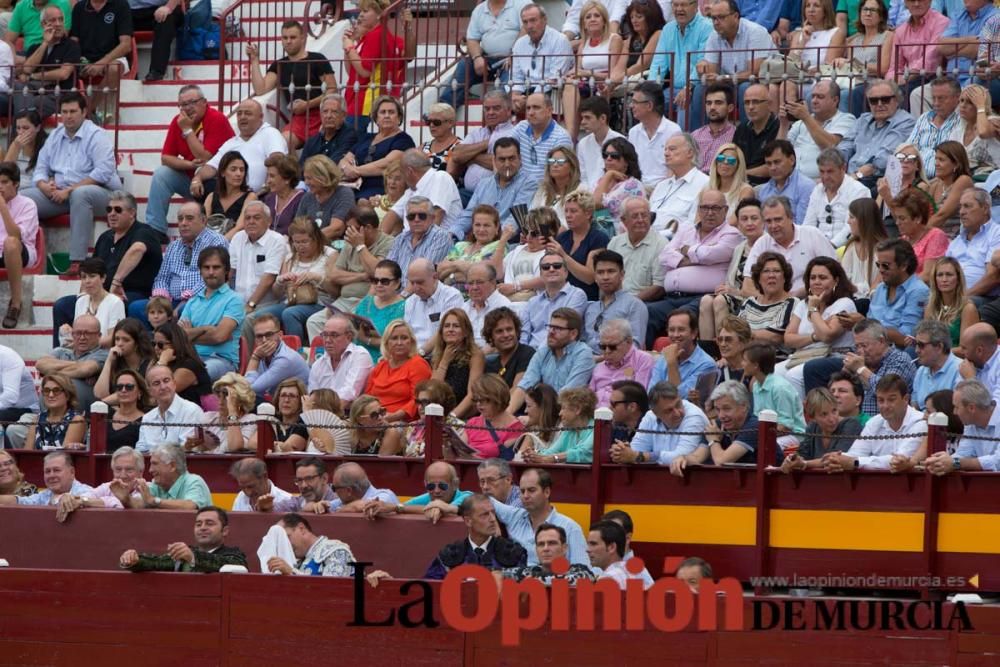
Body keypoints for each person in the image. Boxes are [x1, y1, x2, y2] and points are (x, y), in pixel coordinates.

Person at [22, 93, 120, 274]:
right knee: (23, 198)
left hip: (101, 193)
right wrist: (44, 185)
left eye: (73, 111)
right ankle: (24, 252)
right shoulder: (55, 136)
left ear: (84, 112)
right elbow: (40, 169)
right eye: (64, 112)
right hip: (61, 193)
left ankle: (78, 262)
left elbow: (103, 172)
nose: (68, 116)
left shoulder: (97, 135)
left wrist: (70, 189)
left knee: (80, 195)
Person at [646, 188, 743, 347]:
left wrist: (686, 251)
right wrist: (698, 257)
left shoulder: (731, 234)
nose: (709, 212)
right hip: (671, 297)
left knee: (682, 317)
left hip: (703, 297)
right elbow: (664, 256)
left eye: (715, 208)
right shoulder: (686, 228)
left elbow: (709, 255)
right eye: (705, 207)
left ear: (725, 210)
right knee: (645, 311)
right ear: (698, 209)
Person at [146, 86, 234, 239]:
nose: (188, 108)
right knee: (161, 174)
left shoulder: (216, 119)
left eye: (192, 102)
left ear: (205, 102)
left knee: (207, 182)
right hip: (192, 178)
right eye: (183, 105)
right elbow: (166, 158)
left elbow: (205, 158)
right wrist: (190, 165)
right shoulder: (178, 121)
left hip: (215, 182)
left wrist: (187, 130)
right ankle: (156, 229)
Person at [130, 203, 228, 326]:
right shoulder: (173, 246)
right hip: (170, 301)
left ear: (203, 220)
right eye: (180, 219)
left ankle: (169, 339)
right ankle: (154, 341)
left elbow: (211, 278)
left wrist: (185, 301)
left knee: (183, 311)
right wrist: (161, 300)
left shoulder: (215, 242)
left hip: (201, 299)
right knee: (136, 308)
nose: (183, 223)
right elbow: (162, 278)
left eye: (189, 218)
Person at [246, 20, 337, 151]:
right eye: (285, 37)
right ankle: (292, 171)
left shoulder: (317, 59)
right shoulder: (279, 64)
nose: (288, 41)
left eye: (293, 37)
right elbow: (261, 89)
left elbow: (332, 90)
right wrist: (254, 60)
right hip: (298, 119)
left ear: (303, 38)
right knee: (282, 143)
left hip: (322, 113)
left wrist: (307, 104)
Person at [776, 256, 857, 398]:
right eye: (812, 278)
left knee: (794, 376)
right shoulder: (803, 304)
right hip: (804, 355)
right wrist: (814, 336)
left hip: (834, 356)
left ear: (836, 281)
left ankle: (804, 418)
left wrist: (813, 309)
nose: (816, 282)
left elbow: (827, 336)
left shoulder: (844, 303)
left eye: (822, 278)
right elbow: (788, 338)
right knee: (775, 372)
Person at [690, 0, 774, 128]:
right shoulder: (714, 36)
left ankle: (747, 135)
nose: (716, 22)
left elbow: (754, 71)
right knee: (700, 90)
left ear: (735, 16)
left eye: (721, 17)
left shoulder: (755, 32)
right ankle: (698, 139)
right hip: (729, 84)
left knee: (746, 87)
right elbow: (712, 73)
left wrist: (723, 78)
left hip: (760, 83)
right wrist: (707, 74)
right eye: (713, 18)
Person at [484, 467, 589, 565]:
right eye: (522, 491)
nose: (525, 496)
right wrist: (493, 522)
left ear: (547, 492)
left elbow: (583, 573)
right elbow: (484, 499)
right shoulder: (515, 516)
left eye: (531, 490)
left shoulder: (570, 528)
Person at [824, 373, 926, 471]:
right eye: (881, 400)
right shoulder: (874, 422)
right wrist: (837, 459)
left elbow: (899, 460)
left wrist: (856, 463)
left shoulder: (920, 422)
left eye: (891, 400)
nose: (885, 406)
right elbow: (856, 453)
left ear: (906, 399)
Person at [254, 218, 332, 341]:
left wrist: (316, 277)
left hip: (320, 302)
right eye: (296, 242)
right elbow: (277, 294)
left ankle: (295, 352)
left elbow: (336, 291)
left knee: (290, 314)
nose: (300, 246)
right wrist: (281, 281)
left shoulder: (329, 255)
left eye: (305, 241)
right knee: (260, 315)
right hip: (292, 301)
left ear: (316, 239)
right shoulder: (290, 258)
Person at [340, 0, 414, 129]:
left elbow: (364, 71)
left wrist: (349, 48)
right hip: (360, 101)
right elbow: (352, 72)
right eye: (360, 11)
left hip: (365, 103)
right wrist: (349, 48)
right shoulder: (368, 39)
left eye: (366, 11)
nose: (360, 16)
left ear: (380, 15)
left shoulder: (376, 35)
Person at [190, 99, 287, 198]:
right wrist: (197, 179)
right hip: (234, 196)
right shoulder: (231, 143)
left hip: (263, 195)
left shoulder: (270, 133)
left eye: (248, 113)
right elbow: (211, 167)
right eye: (239, 114)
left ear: (261, 117)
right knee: (206, 186)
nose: (242, 117)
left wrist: (265, 189)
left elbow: (277, 160)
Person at [508, 308, 596, 413]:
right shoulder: (544, 351)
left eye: (557, 328)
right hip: (543, 413)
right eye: (550, 327)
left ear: (573, 334)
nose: (551, 332)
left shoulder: (583, 354)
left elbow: (567, 396)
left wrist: (538, 418)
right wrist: (506, 416)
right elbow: (525, 385)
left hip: (569, 416)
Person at [438, 0, 522, 110]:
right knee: (465, 65)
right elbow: (472, 38)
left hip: (513, 59)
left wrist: (514, 54)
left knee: (507, 86)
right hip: (487, 58)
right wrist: (477, 57)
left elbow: (526, 29)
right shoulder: (479, 10)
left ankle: (500, 114)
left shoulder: (521, 4)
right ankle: (444, 110)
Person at [561, 0, 626, 139]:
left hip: (606, 82)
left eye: (596, 16)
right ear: (583, 23)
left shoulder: (614, 39)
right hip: (586, 82)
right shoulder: (584, 42)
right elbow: (577, 69)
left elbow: (613, 73)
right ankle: (570, 136)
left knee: (601, 87)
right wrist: (570, 75)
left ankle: (599, 135)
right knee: (569, 84)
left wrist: (587, 73)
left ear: (604, 20)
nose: (592, 19)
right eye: (588, 17)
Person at [699, 199, 764, 338]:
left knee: (720, 300)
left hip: (757, 300)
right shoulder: (739, 248)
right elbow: (731, 281)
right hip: (736, 296)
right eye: (744, 219)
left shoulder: (769, 246)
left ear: (763, 221)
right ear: (738, 225)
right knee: (706, 300)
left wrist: (735, 291)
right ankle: (709, 353)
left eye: (754, 218)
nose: (749, 223)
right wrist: (726, 288)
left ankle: (725, 351)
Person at [745, 195, 837, 294]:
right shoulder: (762, 243)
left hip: (810, 299)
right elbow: (747, 285)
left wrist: (793, 297)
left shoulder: (812, 235)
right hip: (772, 303)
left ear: (791, 217)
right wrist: (770, 301)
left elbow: (834, 274)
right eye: (768, 221)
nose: (773, 226)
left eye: (778, 219)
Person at [423, 493, 528, 579]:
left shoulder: (513, 552)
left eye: (493, 513)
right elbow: (430, 589)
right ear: (468, 521)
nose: (492, 519)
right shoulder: (450, 555)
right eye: (485, 515)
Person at [180, 247, 244, 381]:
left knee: (195, 375)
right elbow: (179, 337)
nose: (210, 272)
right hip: (191, 358)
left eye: (216, 267)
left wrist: (190, 334)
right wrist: (205, 330)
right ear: (200, 270)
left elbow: (219, 336)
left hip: (221, 361)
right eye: (206, 267)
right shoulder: (192, 302)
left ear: (226, 270)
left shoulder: (235, 299)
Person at [610, 380, 709, 467]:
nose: (677, 413)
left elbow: (681, 457)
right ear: (656, 413)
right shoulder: (650, 416)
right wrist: (622, 452)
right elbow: (636, 450)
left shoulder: (694, 416)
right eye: (668, 411)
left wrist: (639, 456)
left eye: (678, 405)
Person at [839, 79, 917, 188]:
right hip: (850, 177)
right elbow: (844, 146)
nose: (879, 104)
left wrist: (855, 176)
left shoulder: (905, 122)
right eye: (874, 101)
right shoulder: (863, 120)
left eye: (885, 100)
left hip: (875, 180)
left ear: (897, 100)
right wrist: (836, 168)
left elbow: (882, 160)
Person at [457, 138, 538, 242]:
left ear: (520, 159)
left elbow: (516, 220)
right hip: (480, 239)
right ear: (494, 161)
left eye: (512, 158)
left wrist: (491, 239)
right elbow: (469, 214)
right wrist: (453, 232)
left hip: (507, 242)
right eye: (502, 159)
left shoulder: (529, 183)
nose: (507, 164)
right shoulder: (484, 183)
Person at [119, 506, 247, 572]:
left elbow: (233, 566)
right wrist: (134, 560)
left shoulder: (234, 556)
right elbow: (156, 562)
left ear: (224, 531)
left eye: (209, 523)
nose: (202, 528)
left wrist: (192, 557)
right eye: (198, 524)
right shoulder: (183, 554)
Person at [650, 0, 712, 130]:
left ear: (695, 6)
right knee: (646, 103)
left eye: (683, 5)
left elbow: (703, 61)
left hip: (695, 87)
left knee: (684, 102)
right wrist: (650, 90)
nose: (679, 9)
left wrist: (688, 87)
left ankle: (684, 143)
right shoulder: (668, 29)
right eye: (675, 5)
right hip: (672, 90)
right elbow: (658, 63)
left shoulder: (707, 27)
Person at [340, 95, 416, 201]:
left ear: (399, 118)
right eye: (383, 112)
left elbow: (386, 165)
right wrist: (345, 168)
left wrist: (355, 170)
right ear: (376, 117)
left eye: (391, 112)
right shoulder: (366, 138)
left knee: (361, 202)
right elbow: (345, 160)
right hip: (353, 186)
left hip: (381, 188)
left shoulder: (404, 140)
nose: (387, 116)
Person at [11, 6, 80, 119]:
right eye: (53, 20)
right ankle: (30, 131)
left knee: (32, 103)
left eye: (61, 19)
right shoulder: (35, 47)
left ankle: (21, 131)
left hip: (59, 94)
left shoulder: (71, 46)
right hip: (34, 91)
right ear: (43, 24)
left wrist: (34, 76)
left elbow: (63, 74)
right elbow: (27, 69)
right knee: (19, 88)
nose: (58, 24)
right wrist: (45, 43)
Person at [779, 81, 856, 181]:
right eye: (813, 96)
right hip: (790, 180)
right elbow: (779, 152)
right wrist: (784, 125)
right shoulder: (801, 122)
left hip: (820, 181)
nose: (814, 101)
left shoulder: (846, 119)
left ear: (835, 100)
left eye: (820, 97)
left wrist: (806, 118)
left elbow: (829, 145)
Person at [508, 3, 574, 115]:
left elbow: (554, 77)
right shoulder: (519, 43)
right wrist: (515, 96)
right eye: (525, 22)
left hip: (551, 91)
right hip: (526, 91)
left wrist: (530, 100)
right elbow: (515, 76)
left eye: (533, 20)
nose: (529, 26)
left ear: (545, 20)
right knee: (497, 103)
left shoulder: (560, 40)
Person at [381, 148, 463, 238]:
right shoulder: (411, 191)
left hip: (436, 243)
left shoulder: (440, 178)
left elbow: (437, 215)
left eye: (402, 173)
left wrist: (416, 245)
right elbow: (392, 215)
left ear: (410, 171)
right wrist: (379, 243)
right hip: (409, 242)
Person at [449, 91, 519, 196]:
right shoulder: (477, 133)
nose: (490, 112)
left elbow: (503, 165)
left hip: (498, 194)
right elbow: (457, 155)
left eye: (496, 108)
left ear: (509, 111)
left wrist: (471, 157)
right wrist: (488, 143)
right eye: (487, 109)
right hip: (467, 193)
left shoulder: (514, 133)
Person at [841, 319, 916, 414]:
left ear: (881, 341)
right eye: (857, 346)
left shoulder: (900, 359)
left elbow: (888, 390)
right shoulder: (860, 363)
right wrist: (845, 372)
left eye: (864, 345)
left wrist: (861, 370)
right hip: (861, 424)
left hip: (889, 423)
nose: (860, 351)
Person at [925, 379, 1000, 474]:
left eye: (956, 407)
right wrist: (942, 462)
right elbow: (963, 454)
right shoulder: (970, 423)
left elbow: (998, 462)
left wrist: (955, 463)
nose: (954, 412)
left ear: (971, 408)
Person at [364, 319, 432, 422]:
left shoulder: (418, 364)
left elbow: (418, 400)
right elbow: (367, 398)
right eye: (394, 338)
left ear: (411, 342)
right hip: (375, 418)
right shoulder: (380, 366)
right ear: (386, 343)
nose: (399, 343)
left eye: (404, 338)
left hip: (403, 421)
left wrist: (394, 416)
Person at [742, 343, 806, 452]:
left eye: (744, 360)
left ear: (756, 365)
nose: (742, 364)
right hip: (768, 434)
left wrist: (759, 435)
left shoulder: (780, 388)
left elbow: (786, 426)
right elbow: (758, 419)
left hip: (795, 436)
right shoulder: (757, 385)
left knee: (763, 448)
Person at [36, 314, 108, 410]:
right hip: (49, 413)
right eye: (78, 333)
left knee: (53, 383)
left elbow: (85, 370)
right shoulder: (61, 351)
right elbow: (40, 364)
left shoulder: (104, 354)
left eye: (88, 333)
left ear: (99, 336)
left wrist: (51, 373)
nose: (82, 337)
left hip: (85, 412)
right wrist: (77, 365)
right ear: (72, 334)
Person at [802, 148, 872, 247]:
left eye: (830, 171)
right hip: (818, 249)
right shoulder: (817, 190)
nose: (825, 177)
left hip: (848, 248)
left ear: (843, 168)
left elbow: (851, 229)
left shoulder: (859, 191)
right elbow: (808, 225)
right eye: (822, 172)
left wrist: (830, 247)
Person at [782, 387, 862, 471]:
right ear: (812, 418)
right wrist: (792, 460)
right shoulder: (812, 427)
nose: (832, 419)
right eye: (824, 414)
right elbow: (803, 454)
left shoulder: (851, 425)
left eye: (834, 410)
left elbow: (835, 459)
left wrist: (804, 463)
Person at [583, 250, 648, 354]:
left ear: (622, 275)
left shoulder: (634, 305)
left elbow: (635, 345)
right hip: (587, 363)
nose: (605, 277)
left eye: (611, 271)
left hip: (619, 365)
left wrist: (602, 359)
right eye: (600, 272)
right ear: (595, 277)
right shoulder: (590, 308)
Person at [363, 461, 473, 521]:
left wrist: (396, 507)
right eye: (430, 486)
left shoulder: (467, 497)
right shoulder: (425, 498)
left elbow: (446, 509)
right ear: (425, 485)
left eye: (442, 486)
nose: (436, 491)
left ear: (455, 485)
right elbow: (403, 507)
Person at [607, 197, 668, 303]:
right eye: (635, 216)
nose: (641, 220)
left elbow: (659, 287)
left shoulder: (661, 244)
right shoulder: (614, 243)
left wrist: (629, 303)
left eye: (644, 215)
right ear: (623, 220)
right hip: (614, 301)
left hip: (643, 304)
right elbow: (605, 278)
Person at [837, 0, 893, 113]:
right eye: (865, 10)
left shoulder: (888, 36)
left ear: (881, 16)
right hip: (851, 82)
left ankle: (846, 128)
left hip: (872, 82)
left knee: (844, 95)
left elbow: (883, 68)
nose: (868, 13)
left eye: (873, 10)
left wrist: (855, 64)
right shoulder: (854, 41)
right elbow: (849, 66)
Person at [429, 308, 486, 418]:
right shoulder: (438, 355)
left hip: (463, 415)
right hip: (438, 414)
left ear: (465, 332)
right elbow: (432, 391)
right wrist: (444, 361)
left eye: (456, 326)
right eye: (447, 326)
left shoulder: (476, 355)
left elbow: (473, 394)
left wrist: (451, 418)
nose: (450, 329)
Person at [135, 364, 205, 452]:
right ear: (150, 391)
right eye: (156, 383)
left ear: (174, 384)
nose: (163, 387)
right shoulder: (148, 418)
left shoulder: (191, 411)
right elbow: (140, 450)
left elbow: (187, 450)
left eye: (166, 380)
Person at [494, 523, 596, 584]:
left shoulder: (580, 571)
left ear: (564, 548)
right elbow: (493, 573)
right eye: (541, 544)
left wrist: (534, 581)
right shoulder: (529, 571)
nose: (546, 548)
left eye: (552, 543)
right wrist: (497, 574)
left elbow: (573, 581)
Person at [647, 134, 709, 235]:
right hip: (649, 239)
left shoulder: (705, 183)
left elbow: (693, 226)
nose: (666, 153)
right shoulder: (661, 186)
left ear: (690, 153)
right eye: (665, 149)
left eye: (672, 149)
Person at [386, 197, 455, 286]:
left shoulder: (441, 237)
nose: (416, 219)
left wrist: (401, 297)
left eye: (422, 216)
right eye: (411, 216)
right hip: (395, 293)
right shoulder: (400, 238)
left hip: (422, 295)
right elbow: (387, 270)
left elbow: (423, 276)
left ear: (432, 218)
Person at [0, 160, 36, 328]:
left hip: (21, 252)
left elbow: (15, 235)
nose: (0, 186)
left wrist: (3, 208)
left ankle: (15, 303)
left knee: (11, 243)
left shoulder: (28, 204)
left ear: (16, 184)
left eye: (4, 182)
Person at [648, 310, 717, 396]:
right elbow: (650, 394)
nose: (676, 335)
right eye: (672, 330)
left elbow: (678, 399)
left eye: (681, 329)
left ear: (694, 333)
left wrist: (672, 364)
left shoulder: (706, 364)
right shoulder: (664, 357)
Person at [403, 258, 465, 354]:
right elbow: (407, 333)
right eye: (412, 283)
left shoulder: (452, 296)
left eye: (420, 282)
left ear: (435, 277)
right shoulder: (410, 301)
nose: (416, 288)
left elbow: (445, 332)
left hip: (439, 355)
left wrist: (420, 353)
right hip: (414, 355)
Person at [948, 189, 1000, 302]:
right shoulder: (957, 241)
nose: (961, 212)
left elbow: (993, 277)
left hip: (982, 298)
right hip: (952, 296)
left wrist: (960, 299)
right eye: (960, 207)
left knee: (968, 305)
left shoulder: (996, 234)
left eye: (967, 206)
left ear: (985, 209)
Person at [265, 513, 357, 577]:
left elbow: (333, 590)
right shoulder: (296, 561)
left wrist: (291, 573)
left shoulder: (336, 551)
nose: (286, 544)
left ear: (301, 529)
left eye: (287, 537)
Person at [351, 259, 406, 363]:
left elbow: (397, 343)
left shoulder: (404, 307)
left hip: (382, 360)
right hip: (356, 355)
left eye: (385, 281)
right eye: (375, 280)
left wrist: (367, 340)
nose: (379, 285)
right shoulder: (367, 301)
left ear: (397, 283)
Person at [905, 77, 961, 179]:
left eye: (941, 98)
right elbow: (909, 148)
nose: (936, 103)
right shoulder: (924, 118)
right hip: (916, 177)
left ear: (957, 98)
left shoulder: (962, 121)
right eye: (933, 98)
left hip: (943, 180)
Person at [243, 314, 310, 401]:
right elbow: (248, 388)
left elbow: (249, 390)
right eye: (259, 336)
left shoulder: (286, 359)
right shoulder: (262, 353)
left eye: (269, 334)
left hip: (296, 407)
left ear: (280, 335)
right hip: (278, 402)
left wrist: (255, 358)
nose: (264, 340)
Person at [523, 386, 597, 463]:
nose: (560, 413)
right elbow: (553, 451)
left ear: (577, 409)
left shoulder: (596, 428)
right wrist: (534, 456)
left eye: (563, 408)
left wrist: (552, 458)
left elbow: (583, 452)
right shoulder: (569, 430)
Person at [627, 81, 680, 188]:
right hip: (636, 188)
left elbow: (674, 168)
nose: (631, 106)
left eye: (635, 102)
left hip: (664, 188)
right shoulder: (633, 132)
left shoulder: (673, 131)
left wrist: (661, 191)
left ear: (649, 105)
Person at [440, 208, 506, 295]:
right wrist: (458, 265)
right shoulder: (460, 245)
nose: (481, 229)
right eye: (477, 225)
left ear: (496, 227)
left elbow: (485, 274)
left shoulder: (498, 247)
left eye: (486, 225)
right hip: (447, 296)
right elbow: (440, 269)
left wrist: (451, 276)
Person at [308, 314, 373, 401]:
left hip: (350, 413)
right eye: (325, 335)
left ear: (349, 337)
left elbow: (349, 394)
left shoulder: (360, 355)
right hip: (322, 412)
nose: (327, 340)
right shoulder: (318, 364)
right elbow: (312, 396)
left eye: (334, 335)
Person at [738, 252, 796, 348]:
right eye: (766, 271)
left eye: (777, 271)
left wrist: (743, 334)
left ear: (785, 277)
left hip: (774, 358)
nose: (771, 275)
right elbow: (735, 330)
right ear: (759, 279)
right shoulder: (749, 303)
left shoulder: (791, 303)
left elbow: (775, 337)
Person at [130, 443, 212, 509]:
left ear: (172, 466)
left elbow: (190, 506)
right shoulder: (157, 484)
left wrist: (154, 501)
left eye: (155, 464)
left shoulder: (194, 481)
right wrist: (125, 498)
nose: (150, 470)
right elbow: (139, 503)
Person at [152, 322, 212, 407]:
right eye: (153, 344)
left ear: (175, 344)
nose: (156, 348)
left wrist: (162, 362)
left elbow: (159, 393)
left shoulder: (189, 366)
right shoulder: (161, 363)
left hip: (192, 416)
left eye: (160, 345)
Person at [0, 451, 93, 506]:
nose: (51, 475)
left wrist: (77, 501)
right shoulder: (45, 495)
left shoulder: (86, 492)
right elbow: (20, 501)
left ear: (72, 472)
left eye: (56, 470)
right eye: (47, 471)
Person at [93, 318, 154, 402]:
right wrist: (108, 361)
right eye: (117, 339)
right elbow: (99, 394)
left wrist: (103, 403)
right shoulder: (114, 361)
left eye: (126, 340)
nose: (119, 344)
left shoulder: (150, 363)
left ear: (137, 343)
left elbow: (147, 395)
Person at [69, 257, 125, 348]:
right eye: (84, 277)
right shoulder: (80, 302)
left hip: (102, 351)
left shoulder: (115, 303)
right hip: (82, 350)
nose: (87, 281)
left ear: (103, 278)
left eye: (92, 276)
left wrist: (86, 344)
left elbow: (114, 338)